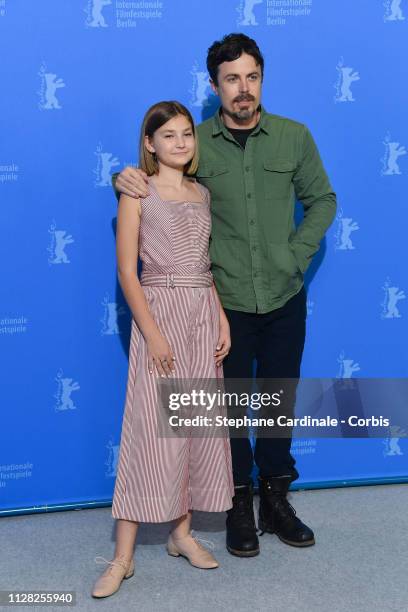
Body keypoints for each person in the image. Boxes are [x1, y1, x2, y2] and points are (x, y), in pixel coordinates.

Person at [112, 33, 337, 558]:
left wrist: (295, 254)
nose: (244, 89)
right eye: (232, 79)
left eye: (252, 77)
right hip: (223, 305)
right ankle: (236, 503)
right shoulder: (195, 141)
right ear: (214, 85)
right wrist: (120, 179)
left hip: (283, 294)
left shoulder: (293, 136)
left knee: (277, 401)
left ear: (262, 80)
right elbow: (154, 179)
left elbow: (323, 200)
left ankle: (276, 499)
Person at [92, 101, 234, 599]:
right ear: (149, 143)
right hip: (160, 315)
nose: (180, 143)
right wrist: (152, 334)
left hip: (200, 315)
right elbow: (128, 272)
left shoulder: (202, 193)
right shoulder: (137, 191)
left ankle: (180, 534)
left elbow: (206, 265)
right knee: (149, 435)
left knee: (192, 428)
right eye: (168, 135)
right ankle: (123, 557)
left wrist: (219, 316)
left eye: (187, 134)